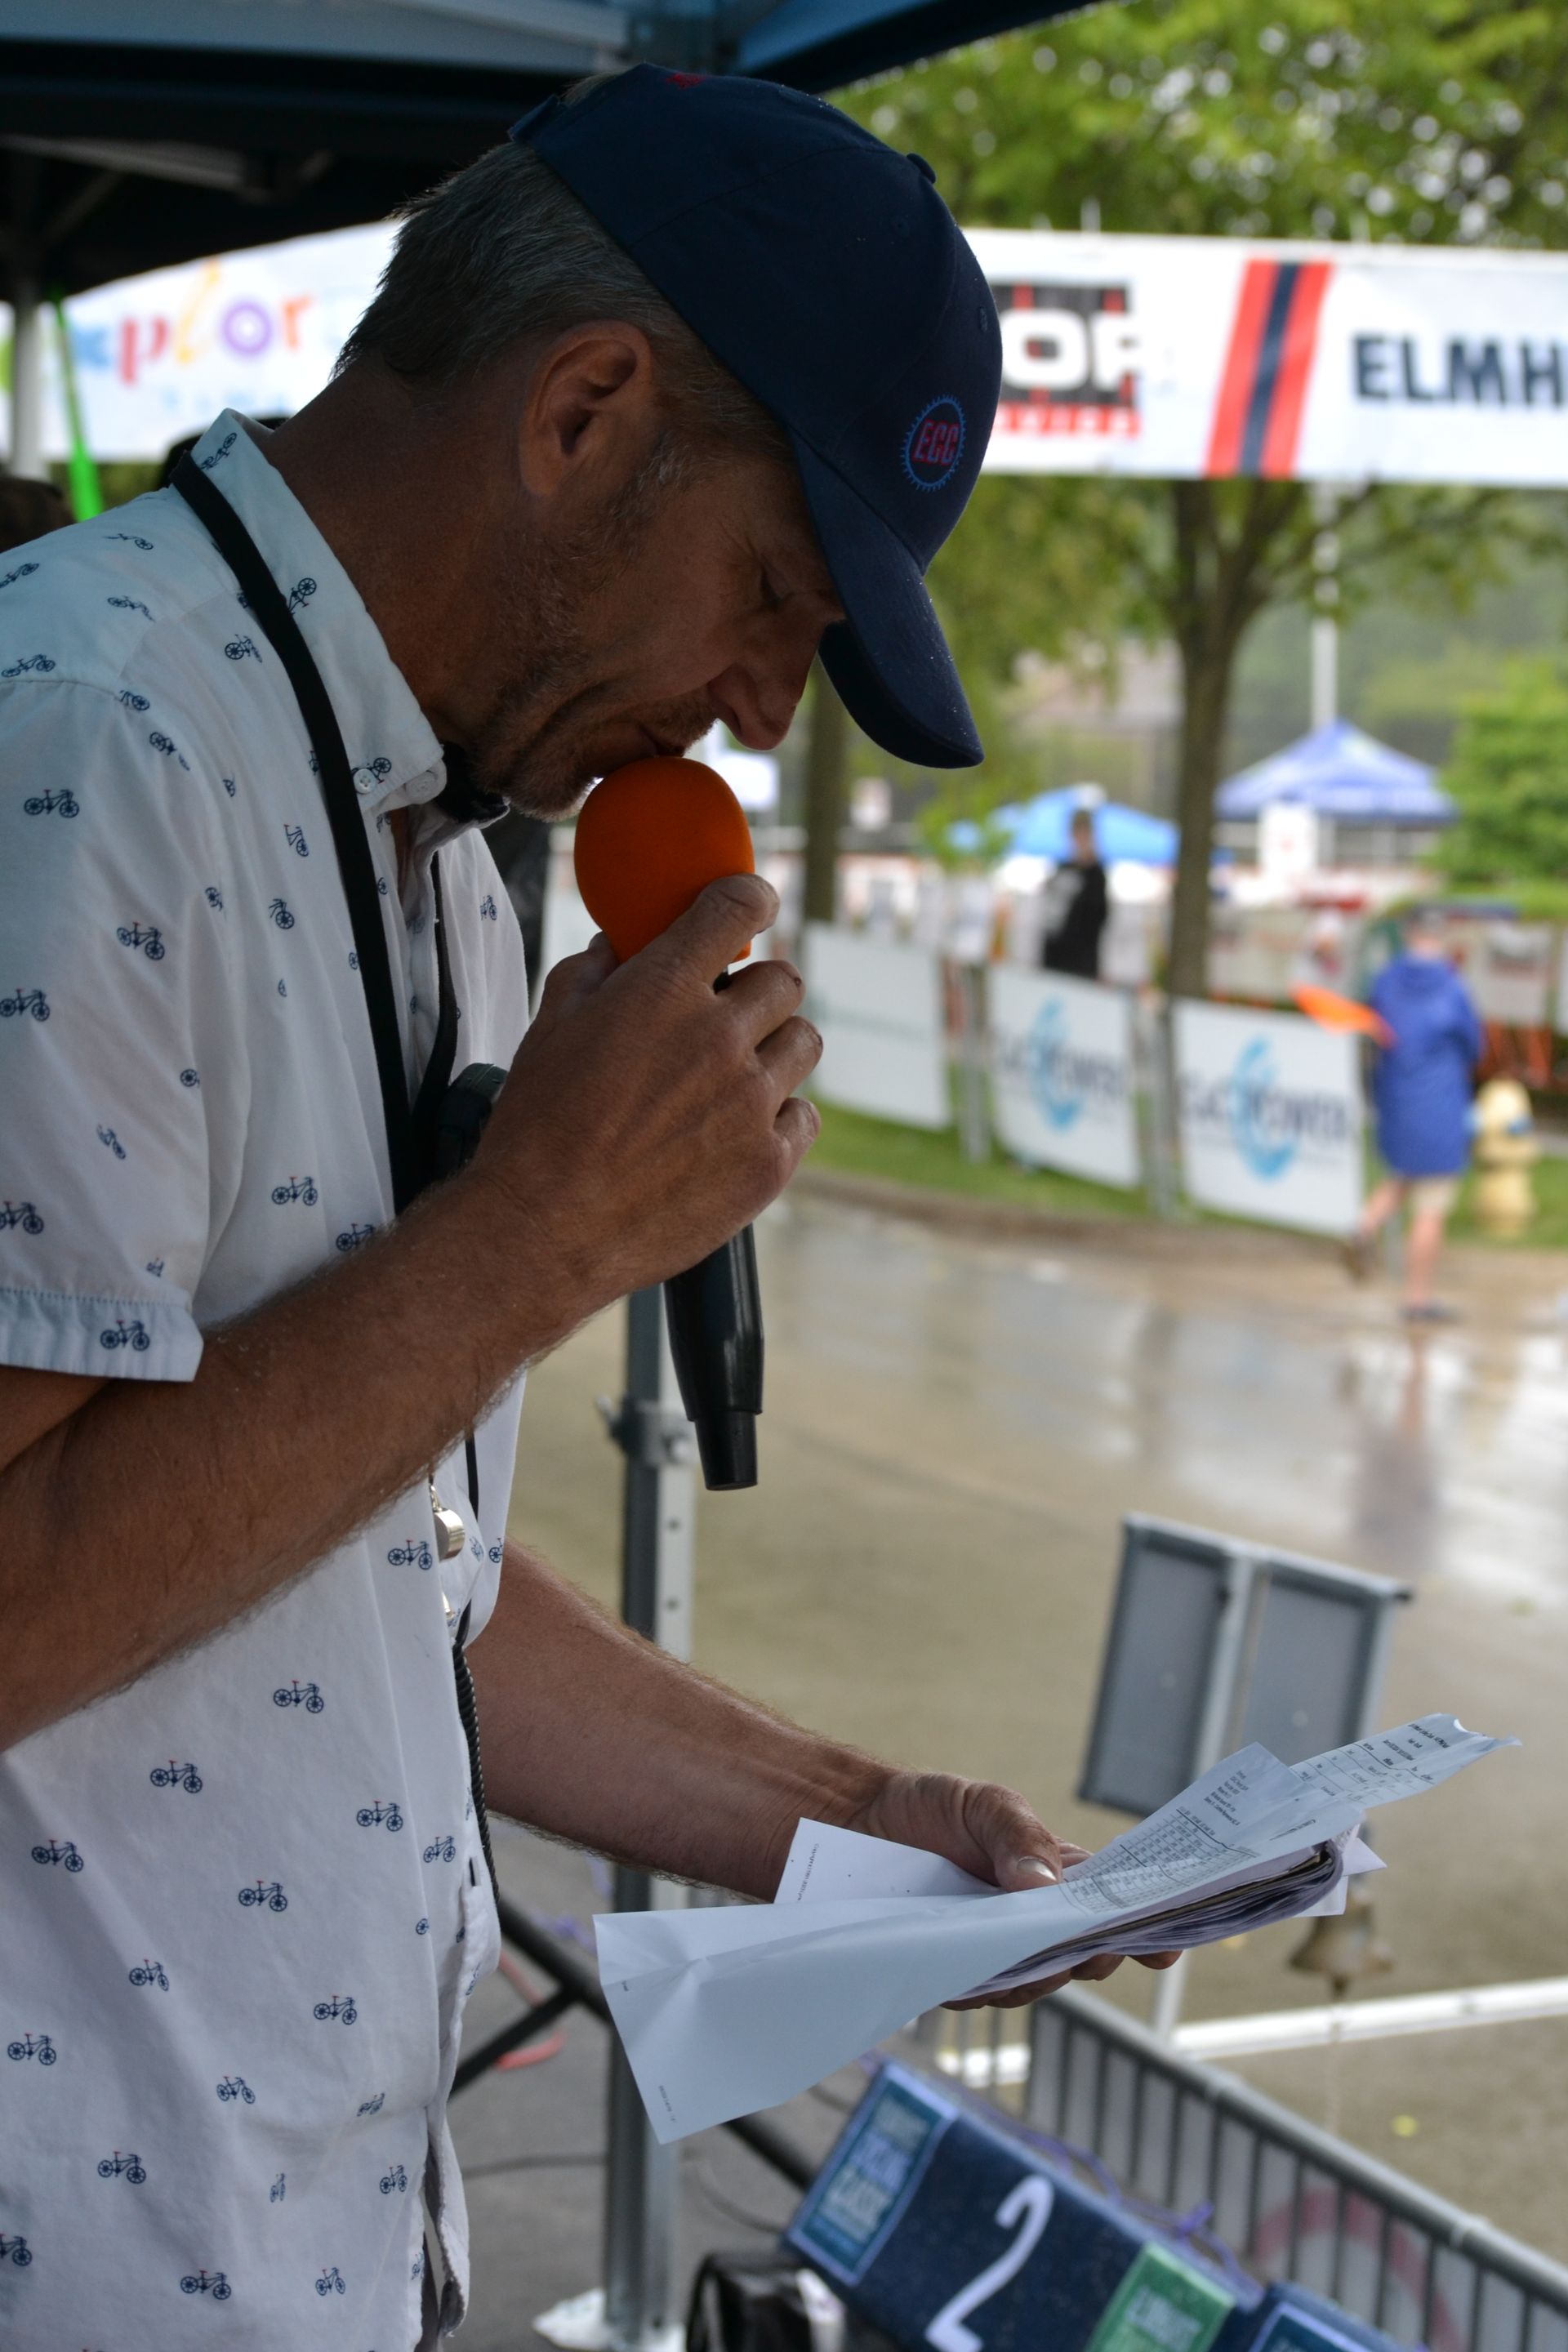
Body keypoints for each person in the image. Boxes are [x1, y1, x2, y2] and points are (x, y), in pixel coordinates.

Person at [0, 69, 1170, 2349]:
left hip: (316, 2256)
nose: (764, 708)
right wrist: (536, 1237)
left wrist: (860, 1817)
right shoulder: (81, 746)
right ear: (584, 412)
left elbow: (370, 1565)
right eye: (772, 596)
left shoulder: (441, 824)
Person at [1348, 908, 1485, 1321]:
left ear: (1407, 935)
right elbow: (1474, 1045)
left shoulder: (1385, 981)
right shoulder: (1452, 988)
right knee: (1431, 1204)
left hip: (1396, 1100)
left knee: (1403, 1176)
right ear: (1440, 937)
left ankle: (1363, 1228)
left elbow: (1373, 1030)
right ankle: (1417, 1298)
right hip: (1439, 1104)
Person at [1040, 804, 1109, 978]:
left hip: (1081, 967)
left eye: (1084, 832)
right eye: (1077, 831)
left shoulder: (1096, 875)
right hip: (1054, 962)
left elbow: (1098, 919)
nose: (1080, 838)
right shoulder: (1061, 869)